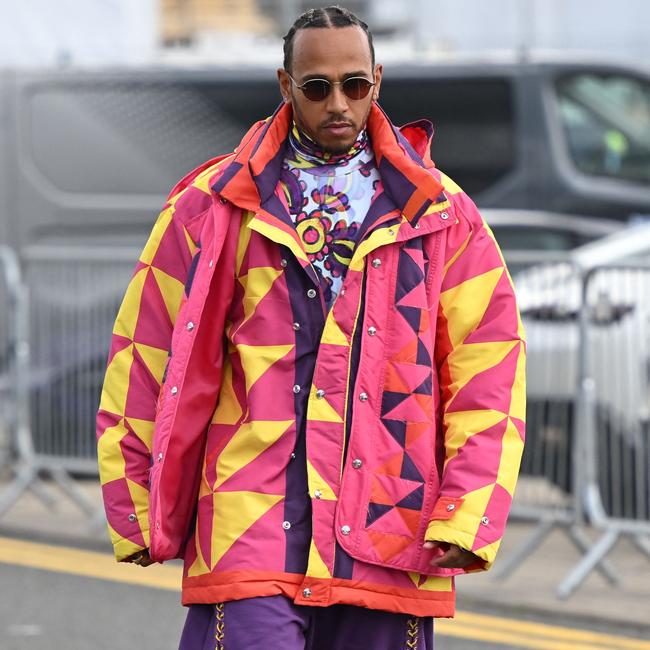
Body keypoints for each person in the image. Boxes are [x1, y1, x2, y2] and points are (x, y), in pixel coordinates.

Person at [96, 6, 526, 649]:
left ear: (377, 82)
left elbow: (487, 371)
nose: (338, 103)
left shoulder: (442, 215)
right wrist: (134, 506)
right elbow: (145, 351)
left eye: (354, 85)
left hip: (390, 522)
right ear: (284, 84)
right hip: (248, 524)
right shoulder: (211, 206)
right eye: (316, 86)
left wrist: (468, 515)